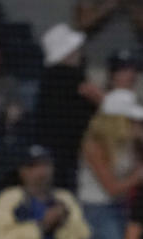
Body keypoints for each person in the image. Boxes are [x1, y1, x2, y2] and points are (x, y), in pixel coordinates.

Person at [77, 88, 143, 239]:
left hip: (122, 206)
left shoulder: (128, 143)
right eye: (131, 120)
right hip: (97, 208)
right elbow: (112, 188)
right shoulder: (94, 144)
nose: (137, 124)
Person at [35, 23, 100, 190]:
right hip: (66, 153)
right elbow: (100, 99)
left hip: (54, 151)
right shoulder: (70, 75)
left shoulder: (46, 78)